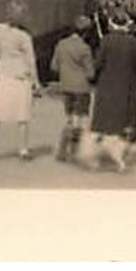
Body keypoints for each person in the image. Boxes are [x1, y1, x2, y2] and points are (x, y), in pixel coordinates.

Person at [0, 0, 42, 163]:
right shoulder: (25, 37)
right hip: (20, 77)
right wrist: (37, 82)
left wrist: (5, 55)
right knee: (22, 115)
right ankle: (23, 150)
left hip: (2, 76)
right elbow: (31, 61)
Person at [87, 13, 136, 172]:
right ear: (126, 25)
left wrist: (91, 77)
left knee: (101, 125)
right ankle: (119, 159)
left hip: (106, 87)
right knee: (122, 125)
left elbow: (98, 64)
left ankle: (95, 160)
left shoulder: (106, 41)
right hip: (126, 87)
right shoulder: (133, 42)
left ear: (112, 24)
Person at [51, 15, 97, 162]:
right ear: (86, 32)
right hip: (81, 88)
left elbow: (54, 66)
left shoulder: (61, 44)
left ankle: (62, 150)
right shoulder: (85, 49)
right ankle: (75, 151)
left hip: (66, 86)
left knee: (70, 119)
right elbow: (91, 74)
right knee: (81, 120)